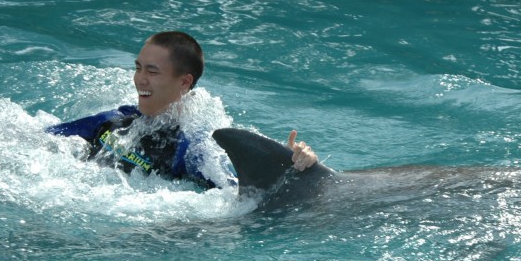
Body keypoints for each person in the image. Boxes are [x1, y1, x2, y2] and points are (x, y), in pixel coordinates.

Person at [46, 31, 318, 189]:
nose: (140, 79)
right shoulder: (112, 121)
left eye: (152, 71)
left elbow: (243, 194)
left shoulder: (192, 148)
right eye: (138, 67)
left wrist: (293, 167)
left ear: (185, 81)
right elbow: (38, 141)